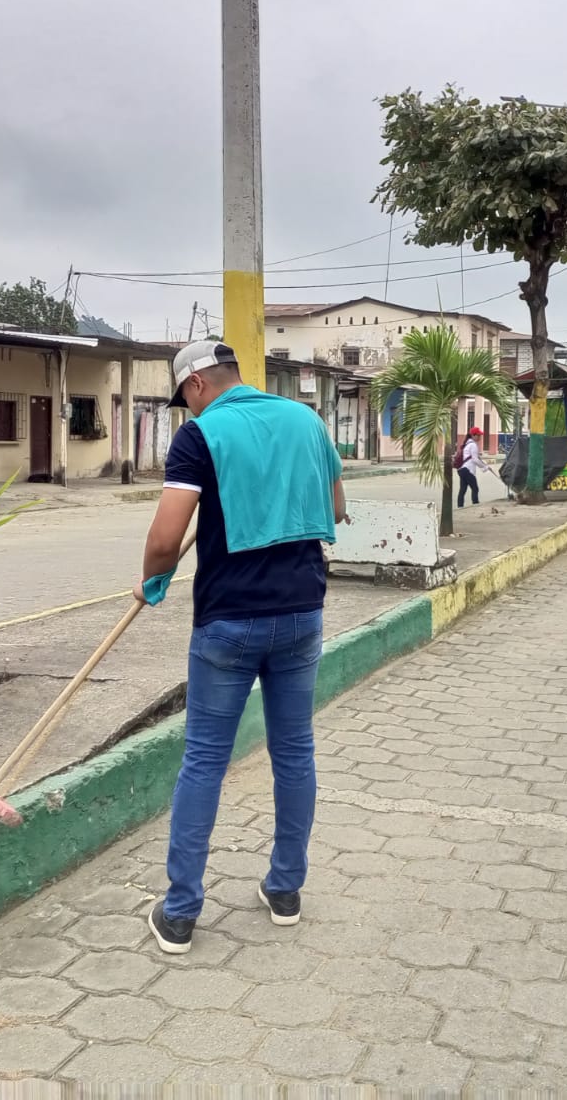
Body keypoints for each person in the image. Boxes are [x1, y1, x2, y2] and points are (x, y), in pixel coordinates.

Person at [135, 341, 346, 956]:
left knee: (204, 760)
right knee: (294, 751)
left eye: (185, 397)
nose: (186, 409)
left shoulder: (200, 436)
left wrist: (152, 581)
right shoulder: (306, 421)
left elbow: (165, 538)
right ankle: (285, 890)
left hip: (229, 623)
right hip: (302, 614)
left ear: (197, 383)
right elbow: (335, 507)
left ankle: (180, 913)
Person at [456, 428, 485, 508]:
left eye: (480, 435)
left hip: (462, 469)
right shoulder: (473, 445)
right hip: (468, 470)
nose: (480, 437)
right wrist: (484, 467)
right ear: (473, 435)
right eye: (478, 435)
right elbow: (475, 459)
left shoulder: (467, 444)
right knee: (475, 488)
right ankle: (475, 504)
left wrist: (484, 466)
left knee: (463, 489)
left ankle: (460, 506)